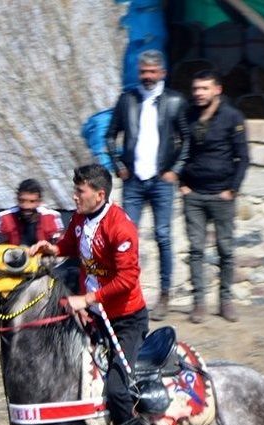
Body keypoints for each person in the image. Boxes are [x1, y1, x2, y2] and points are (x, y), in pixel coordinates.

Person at [29, 164, 152, 425]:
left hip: (125, 321)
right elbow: (70, 245)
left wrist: (86, 299)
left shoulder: (121, 227)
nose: (74, 196)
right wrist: (52, 249)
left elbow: (127, 279)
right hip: (95, 317)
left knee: (117, 390)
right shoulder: (81, 218)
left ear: (99, 194)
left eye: (79, 191)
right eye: (75, 190)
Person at [105, 49, 189, 321]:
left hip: (161, 180)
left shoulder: (175, 101)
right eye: (143, 72)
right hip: (134, 181)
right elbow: (110, 135)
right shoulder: (127, 99)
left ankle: (164, 295)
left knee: (163, 236)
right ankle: (127, 293)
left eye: (152, 71)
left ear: (162, 73)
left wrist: (175, 170)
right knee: (127, 239)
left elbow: (186, 139)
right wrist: (118, 165)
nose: (148, 76)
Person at [179, 70, 249, 324]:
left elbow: (243, 157)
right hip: (194, 195)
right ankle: (199, 303)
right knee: (196, 249)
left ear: (217, 90)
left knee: (226, 250)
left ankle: (225, 301)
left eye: (204, 88)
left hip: (222, 195)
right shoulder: (187, 115)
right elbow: (178, 148)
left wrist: (232, 190)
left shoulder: (232, 117)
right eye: (196, 88)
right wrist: (182, 184)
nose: (199, 93)